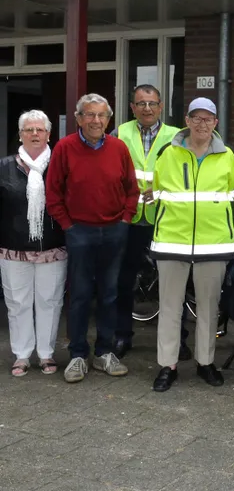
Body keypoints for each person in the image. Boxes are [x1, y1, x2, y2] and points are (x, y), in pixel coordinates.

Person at [149, 98, 234, 392]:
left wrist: (216, 221)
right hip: (172, 242)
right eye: (197, 118)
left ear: (215, 123)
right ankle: (168, 365)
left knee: (209, 307)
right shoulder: (169, 154)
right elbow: (155, 193)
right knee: (169, 307)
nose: (202, 124)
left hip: (213, 244)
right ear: (187, 120)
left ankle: (206, 363)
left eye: (208, 119)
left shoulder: (229, 156)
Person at [46, 94, 138, 383]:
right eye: (89, 115)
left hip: (114, 230)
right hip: (80, 231)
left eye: (101, 115)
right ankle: (77, 355)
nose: (95, 121)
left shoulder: (119, 148)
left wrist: (125, 219)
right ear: (78, 118)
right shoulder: (64, 148)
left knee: (110, 294)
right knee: (81, 295)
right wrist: (68, 226)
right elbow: (53, 192)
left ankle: (104, 353)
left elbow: (131, 189)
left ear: (109, 119)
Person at [111, 84, 183, 359]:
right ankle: (122, 336)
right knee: (123, 281)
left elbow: (183, 177)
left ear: (161, 106)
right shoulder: (120, 132)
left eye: (152, 103)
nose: (147, 108)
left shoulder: (176, 136)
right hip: (128, 219)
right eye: (141, 103)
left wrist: (162, 191)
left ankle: (179, 339)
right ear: (132, 108)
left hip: (164, 219)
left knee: (172, 284)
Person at [0, 110, 66, 377]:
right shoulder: (4, 166)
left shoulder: (60, 166)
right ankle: (22, 355)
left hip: (53, 247)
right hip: (13, 248)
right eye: (29, 130)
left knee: (49, 301)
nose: (35, 134)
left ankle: (47, 354)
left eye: (40, 130)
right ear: (20, 134)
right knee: (18, 303)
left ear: (49, 134)